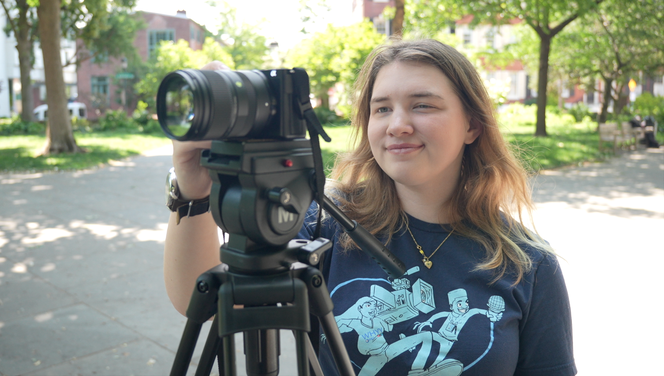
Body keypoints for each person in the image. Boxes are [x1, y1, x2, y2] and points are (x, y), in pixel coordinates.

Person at [163, 39, 576, 376]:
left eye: (422, 104)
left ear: (472, 125)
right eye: (382, 108)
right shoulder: (325, 223)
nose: (397, 124)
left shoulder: (529, 264)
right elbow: (200, 299)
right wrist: (193, 191)